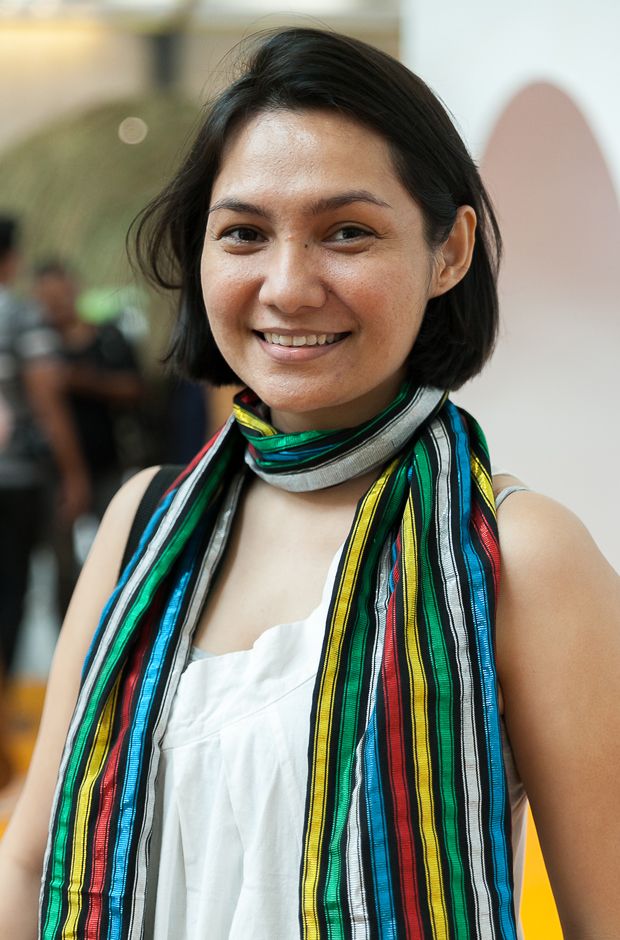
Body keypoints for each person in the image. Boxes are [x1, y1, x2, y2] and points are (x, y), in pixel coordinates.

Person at [0, 28, 618, 939]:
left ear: (449, 252)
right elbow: (27, 864)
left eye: (348, 233)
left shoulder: (519, 553)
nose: (287, 287)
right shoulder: (147, 523)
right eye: (244, 232)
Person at [0, 217, 89, 792]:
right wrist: (74, 470)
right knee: (7, 604)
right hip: (14, 482)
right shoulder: (18, 312)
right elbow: (47, 398)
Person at [32, 260, 144, 617]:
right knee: (63, 566)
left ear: (75, 290)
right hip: (54, 472)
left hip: (110, 463)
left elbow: (135, 388)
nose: (56, 306)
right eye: (48, 300)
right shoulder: (38, 348)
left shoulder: (107, 337)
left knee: (118, 555)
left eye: (61, 296)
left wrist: (83, 381)